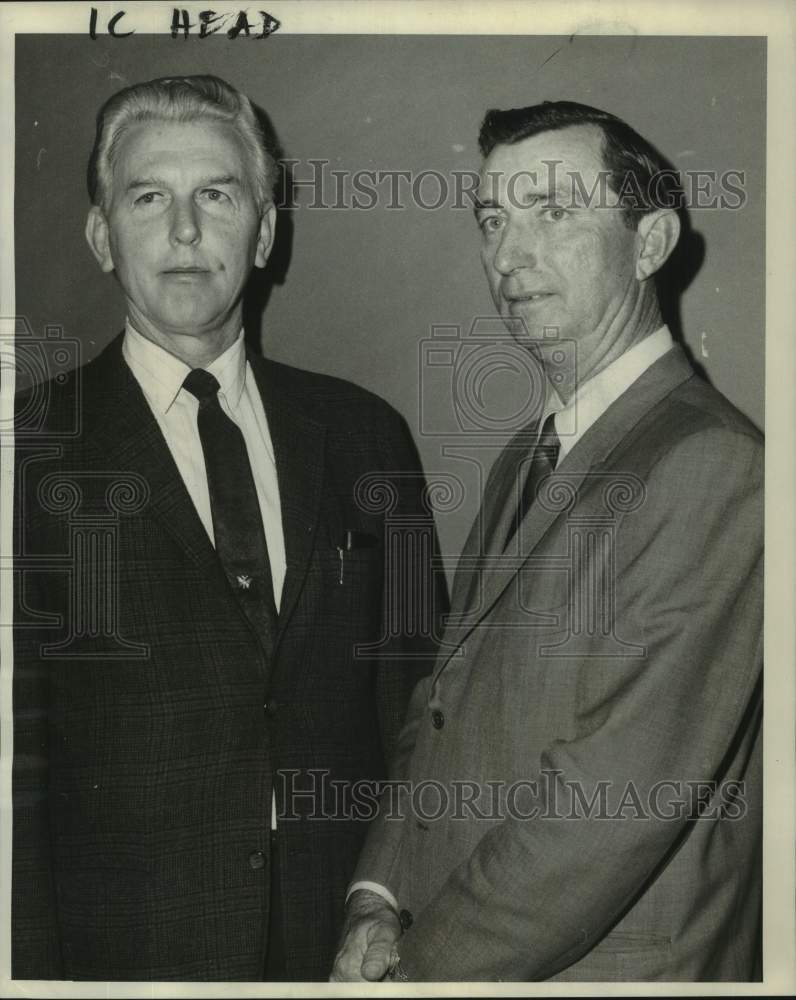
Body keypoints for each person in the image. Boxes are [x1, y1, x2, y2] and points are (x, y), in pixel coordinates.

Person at [12, 75, 444, 982]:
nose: (184, 231)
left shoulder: (367, 438)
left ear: (267, 230)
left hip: (342, 954)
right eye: (147, 197)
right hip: (122, 961)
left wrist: (393, 911)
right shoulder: (28, 453)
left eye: (216, 194)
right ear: (101, 236)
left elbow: (422, 716)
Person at [331, 101, 763, 982]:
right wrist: (377, 892)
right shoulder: (523, 460)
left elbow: (610, 803)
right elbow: (441, 708)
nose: (509, 254)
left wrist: (417, 971)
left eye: (554, 213)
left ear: (650, 244)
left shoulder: (715, 465)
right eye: (494, 219)